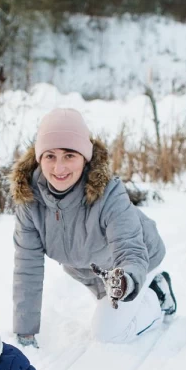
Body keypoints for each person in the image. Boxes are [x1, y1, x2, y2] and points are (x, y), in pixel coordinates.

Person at [11, 107, 176, 346]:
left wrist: (127, 281)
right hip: (92, 270)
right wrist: (25, 333)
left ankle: (158, 296)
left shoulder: (108, 193)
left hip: (136, 261)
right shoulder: (30, 200)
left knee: (109, 333)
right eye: (50, 156)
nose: (59, 168)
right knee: (109, 310)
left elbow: (130, 249)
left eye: (69, 155)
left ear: (85, 157)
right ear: (39, 158)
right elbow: (28, 267)